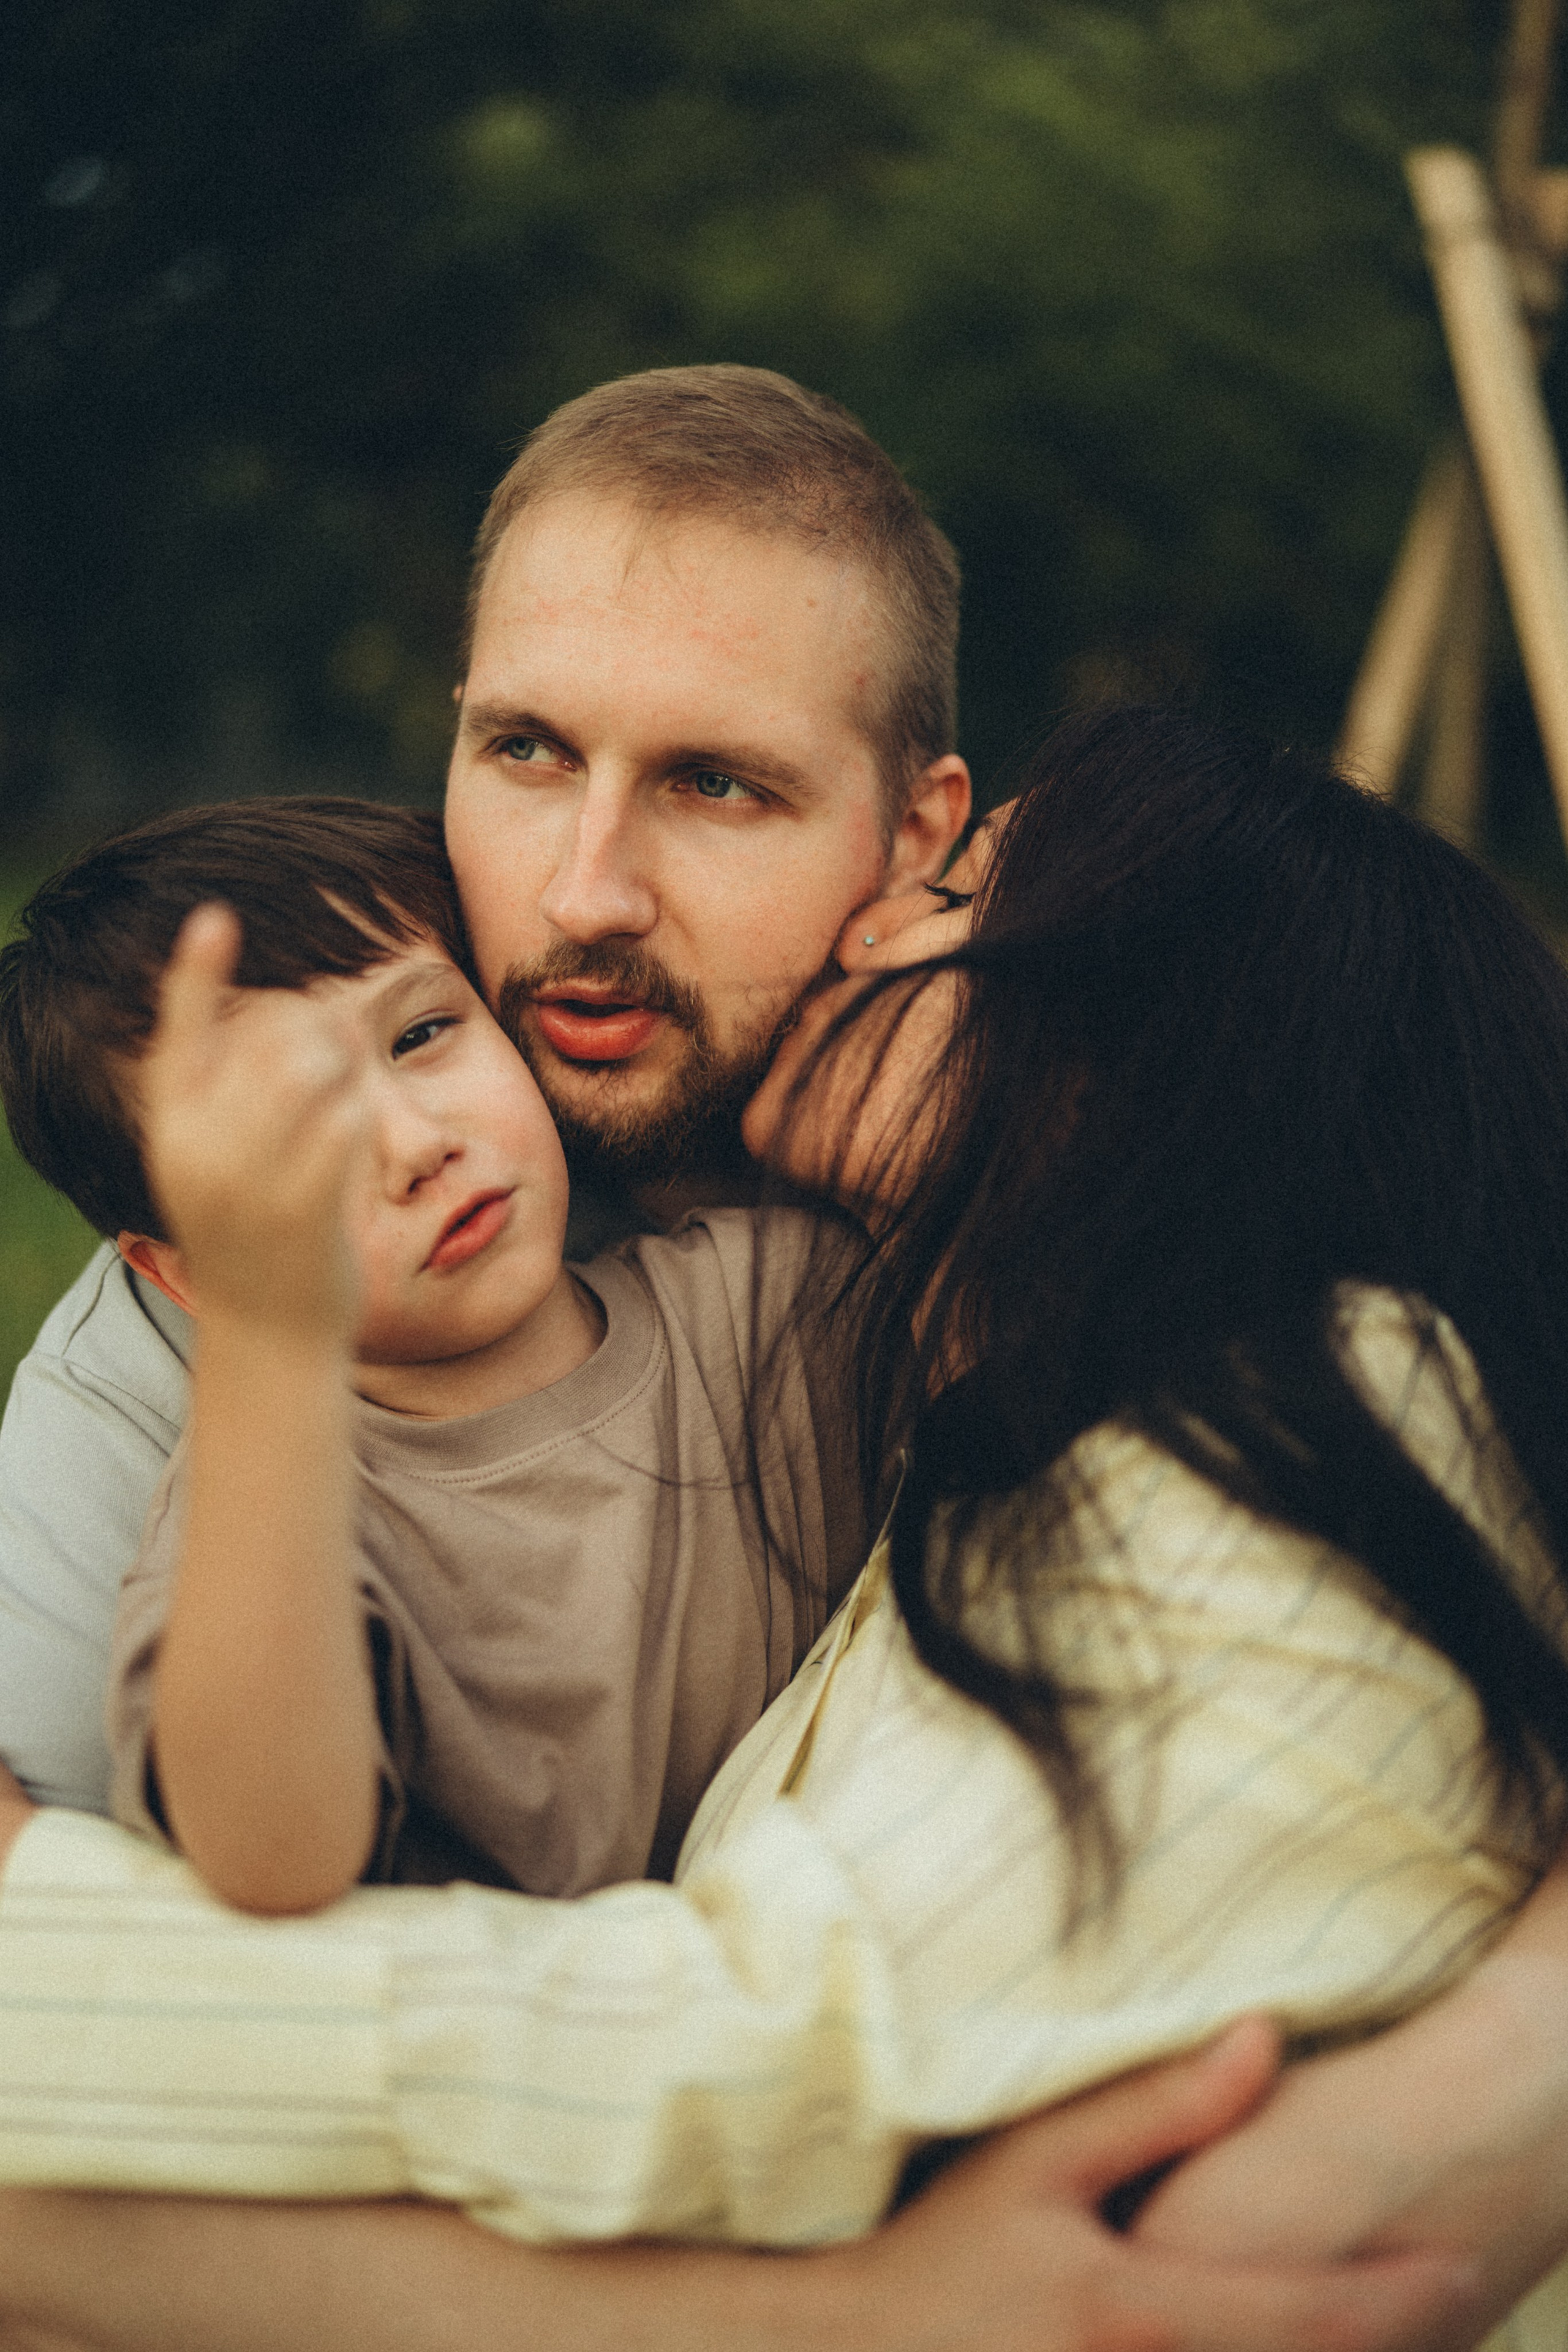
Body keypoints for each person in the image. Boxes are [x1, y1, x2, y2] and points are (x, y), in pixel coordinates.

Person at [3, 710, 1568, 2350]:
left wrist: (34, 1961)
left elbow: (769, 2043)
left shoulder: (1336, 1405)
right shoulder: (969, 1432)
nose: (866, 924)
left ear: (1151, 1041)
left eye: (955, 898)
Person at [0, 364, 971, 1820]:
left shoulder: (1019, 1138)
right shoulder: (182, 1337)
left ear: (912, 838)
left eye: (714, 783)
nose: (585, 894)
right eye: (528, 749)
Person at [0, 797, 859, 1914]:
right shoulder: (261, 1525)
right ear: (187, 1278)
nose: (415, 1144)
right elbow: (272, 1858)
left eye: (420, 1035)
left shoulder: (773, 1303)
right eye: (294, 1133)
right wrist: (271, 1335)